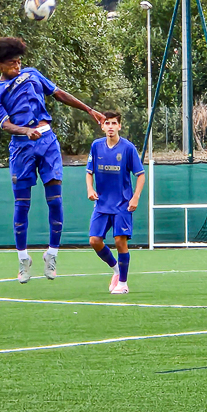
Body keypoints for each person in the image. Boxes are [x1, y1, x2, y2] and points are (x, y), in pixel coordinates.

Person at [0, 37, 105, 283]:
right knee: (22, 205)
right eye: (12, 63)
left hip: (48, 143)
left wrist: (89, 110)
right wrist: (24, 130)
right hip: (21, 148)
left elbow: (58, 93)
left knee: (56, 202)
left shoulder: (32, 74)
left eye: (19, 61)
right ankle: (23, 259)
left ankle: (52, 255)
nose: (17, 65)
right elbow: (4, 123)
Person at [85, 112, 145, 294]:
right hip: (102, 203)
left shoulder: (128, 148)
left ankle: (123, 284)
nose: (110, 126)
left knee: (120, 241)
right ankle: (117, 270)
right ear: (102, 126)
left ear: (119, 126)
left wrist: (135, 197)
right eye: (107, 123)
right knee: (94, 240)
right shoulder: (96, 146)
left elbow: (140, 175)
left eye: (114, 123)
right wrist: (89, 188)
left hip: (122, 204)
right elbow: (89, 172)